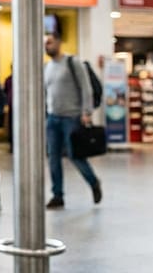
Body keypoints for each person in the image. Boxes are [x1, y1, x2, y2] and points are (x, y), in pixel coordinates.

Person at [43, 31, 101, 209]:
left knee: (76, 156)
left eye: (50, 42)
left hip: (72, 117)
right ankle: (57, 195)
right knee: (53, 158)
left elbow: (86, 88)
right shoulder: (48, 67)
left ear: (59, 42)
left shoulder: (72, 62)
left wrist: (86, 112)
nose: (47, 46)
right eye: (45, 43)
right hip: (53, 118)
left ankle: (93, 182)